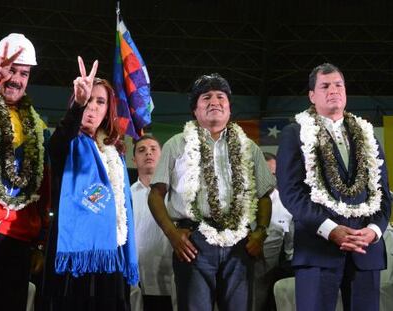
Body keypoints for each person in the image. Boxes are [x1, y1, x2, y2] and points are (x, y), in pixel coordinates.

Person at [148, 73, 276, 311]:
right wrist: (173, 235)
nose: (214, 101)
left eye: (221, 97)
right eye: (206, 97)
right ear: (195, 111)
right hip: (193, 242)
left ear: (228, 109)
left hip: (240, 244)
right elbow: (156, 194)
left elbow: (264, 195)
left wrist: (261, 232)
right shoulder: (176, 144)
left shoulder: (249, 147)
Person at [276, 63, 391, 311]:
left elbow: (383, 193)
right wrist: (330, 229)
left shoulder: (368, 134)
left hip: (365, 249)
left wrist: (373, 230)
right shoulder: (294, 134)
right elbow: (291, 193)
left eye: (339, 85)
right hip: (318, 250)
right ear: (312, 95)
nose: (333, 90)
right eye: (325, 86)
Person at [42, 57, 138, 311]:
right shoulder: (67, 144)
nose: (92, 108)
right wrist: (77, 107)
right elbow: (56, 145)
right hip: (73, 254)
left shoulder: (115, 154)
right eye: (87, 101)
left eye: (100, 102)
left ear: (108, 111)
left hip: (111, 254)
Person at [0, 33, 51, 310]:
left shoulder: (38, 126)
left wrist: (40, 241)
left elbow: (44, 188)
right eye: (11, 70)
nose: (16, 79)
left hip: (18, 237)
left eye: (24, 73)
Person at [131, 135, 173, 311]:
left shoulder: (176, 192)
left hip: (172, 279)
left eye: (153, 149)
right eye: (141, 150)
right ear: (134, 160)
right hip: (137, 282)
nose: (148, 152)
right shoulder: (126, 194)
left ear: (162, 156)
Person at [253, 152, 293, 311]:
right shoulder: (238, 202)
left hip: (275, 275)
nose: (270, 180)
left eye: (274, 174)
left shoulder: (288, 202)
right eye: (266, 174)